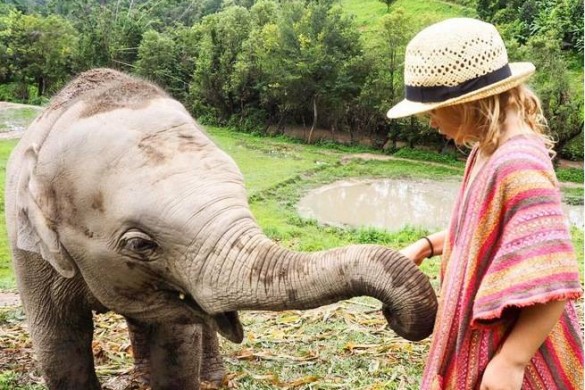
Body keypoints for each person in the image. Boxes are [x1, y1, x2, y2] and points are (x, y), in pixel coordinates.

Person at [388, 18, 583, 390]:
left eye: (431, 111)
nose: (430, 122)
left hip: (512, 349)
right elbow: (487, 230)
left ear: (468, 103)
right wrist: (428, 245)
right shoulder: (487, 150)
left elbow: (554, 273)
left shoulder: (518, 165)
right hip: (491, 342)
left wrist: (513, 359)